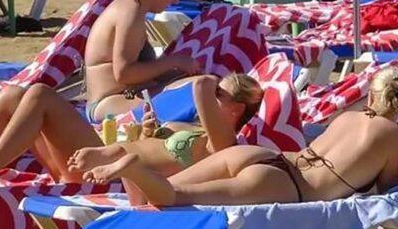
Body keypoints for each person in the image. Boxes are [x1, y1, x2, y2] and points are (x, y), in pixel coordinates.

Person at [80, 66, 398, 207]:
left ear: (370, 96)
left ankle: (135, 168)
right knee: (173, 197)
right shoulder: (393, 137)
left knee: (162, 193)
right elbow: (382, 188)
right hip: (285, 185)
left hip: (262, 155)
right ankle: (132, 169)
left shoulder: (348, 118)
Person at [84, 0, 201, 121]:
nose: (176, 0)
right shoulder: (129, 11)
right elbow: (123, 73)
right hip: (109, 102)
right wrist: (174, 61)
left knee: (200, 82)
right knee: (199, 89)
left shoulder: (133, 5)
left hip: (125, 94)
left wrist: (178, 70)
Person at [68, 74, 263, 176]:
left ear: (236, 109)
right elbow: (149, 147)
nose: (212, 94)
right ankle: (110, 156)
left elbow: (202, 84)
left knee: (42, 96)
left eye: (219, 94)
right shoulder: (193, 127)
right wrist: (147, 131)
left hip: (118, 176)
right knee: (41, 95)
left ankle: (112, 159)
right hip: (110, 159)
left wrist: (211, 81)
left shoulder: (224, 143)